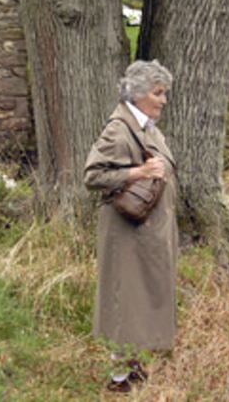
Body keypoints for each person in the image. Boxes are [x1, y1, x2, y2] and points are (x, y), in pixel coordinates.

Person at [83, 59, 177, 393]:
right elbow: (92, 176)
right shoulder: (118, 130)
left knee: (143, 299)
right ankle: (118, 379)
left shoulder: (148, 126)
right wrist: (136, 173)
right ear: (137, 94)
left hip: (148, 231)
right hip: (126, 232)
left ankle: (135, 366)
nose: (163, 100)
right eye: (157, 93)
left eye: (164, 93)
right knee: (125, 299)